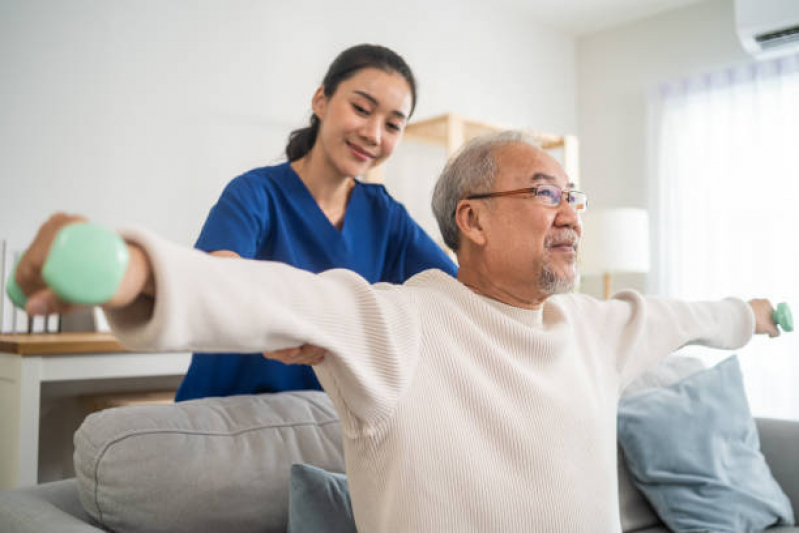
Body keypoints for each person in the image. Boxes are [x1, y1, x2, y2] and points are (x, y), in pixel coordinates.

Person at [16, 131, 780, 531]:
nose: (572, 213)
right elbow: (269, 294)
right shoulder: (400, 321)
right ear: (471, 219)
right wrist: (127, 269)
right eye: (546, 192)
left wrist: (752, 313)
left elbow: (689, 318)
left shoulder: (595, 327)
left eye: (573, 195)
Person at [178, 44, 457, 401]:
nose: (373, 134)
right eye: (361, 109)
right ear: (321, 100)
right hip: (230, 415)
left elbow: (454, 295)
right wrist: (280, 321)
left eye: (391, 125)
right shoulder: (256, 193)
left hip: (328, 425)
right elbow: (214, 278)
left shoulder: (385, 216)